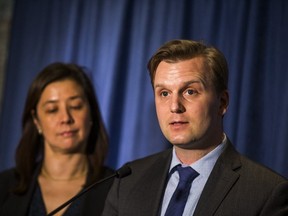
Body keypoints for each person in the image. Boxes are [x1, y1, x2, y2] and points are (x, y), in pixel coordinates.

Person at [102, 39, 288, 216]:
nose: (175, 106)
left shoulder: (267, 192)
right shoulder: (127, 180)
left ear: (222, 103)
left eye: (190, 91)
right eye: (164, 93)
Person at [0, 62, 114, 216]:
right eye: (52, 110)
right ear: (36, 120)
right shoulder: (4, 185)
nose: (65, 118)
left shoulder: (116, 188)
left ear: (91, 114)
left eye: (75, 106)